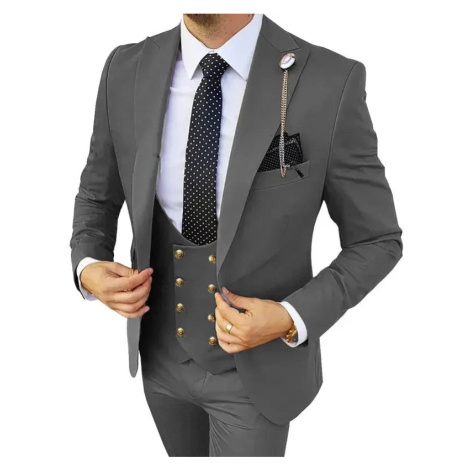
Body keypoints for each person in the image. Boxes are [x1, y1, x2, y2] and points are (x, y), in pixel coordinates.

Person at [70, 13, 403, 457]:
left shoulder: (330, 80)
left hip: (257, 375)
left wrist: (290, 317)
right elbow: (97, 194)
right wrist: (87, 265)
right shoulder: (125, 68)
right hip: (159, 364)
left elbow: (377, 239)